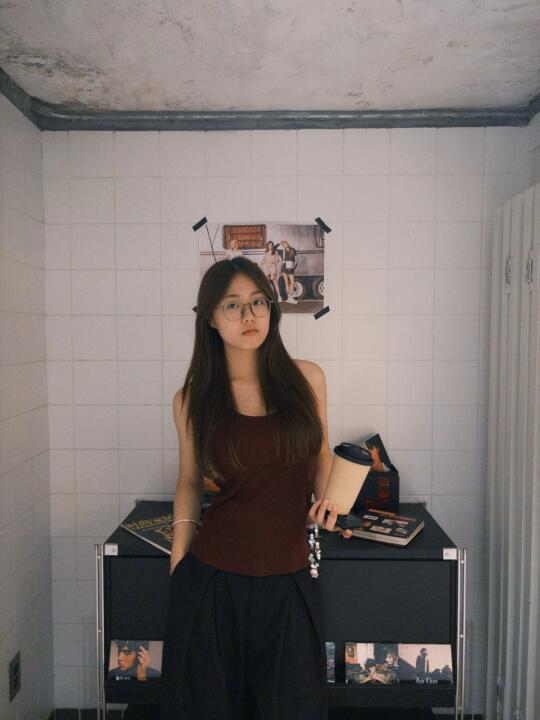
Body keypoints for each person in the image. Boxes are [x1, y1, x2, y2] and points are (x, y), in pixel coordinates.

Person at [160, 256, 352, 720]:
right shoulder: (192, 399)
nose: (248, 315)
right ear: (210, 318)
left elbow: (319, 455)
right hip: (213, 580)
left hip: (290, 577)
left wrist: (332, 500)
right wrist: (179, 561)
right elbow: (189, 481)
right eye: (232, 305)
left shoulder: (308, 379)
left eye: (258, 302)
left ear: (271, 308)